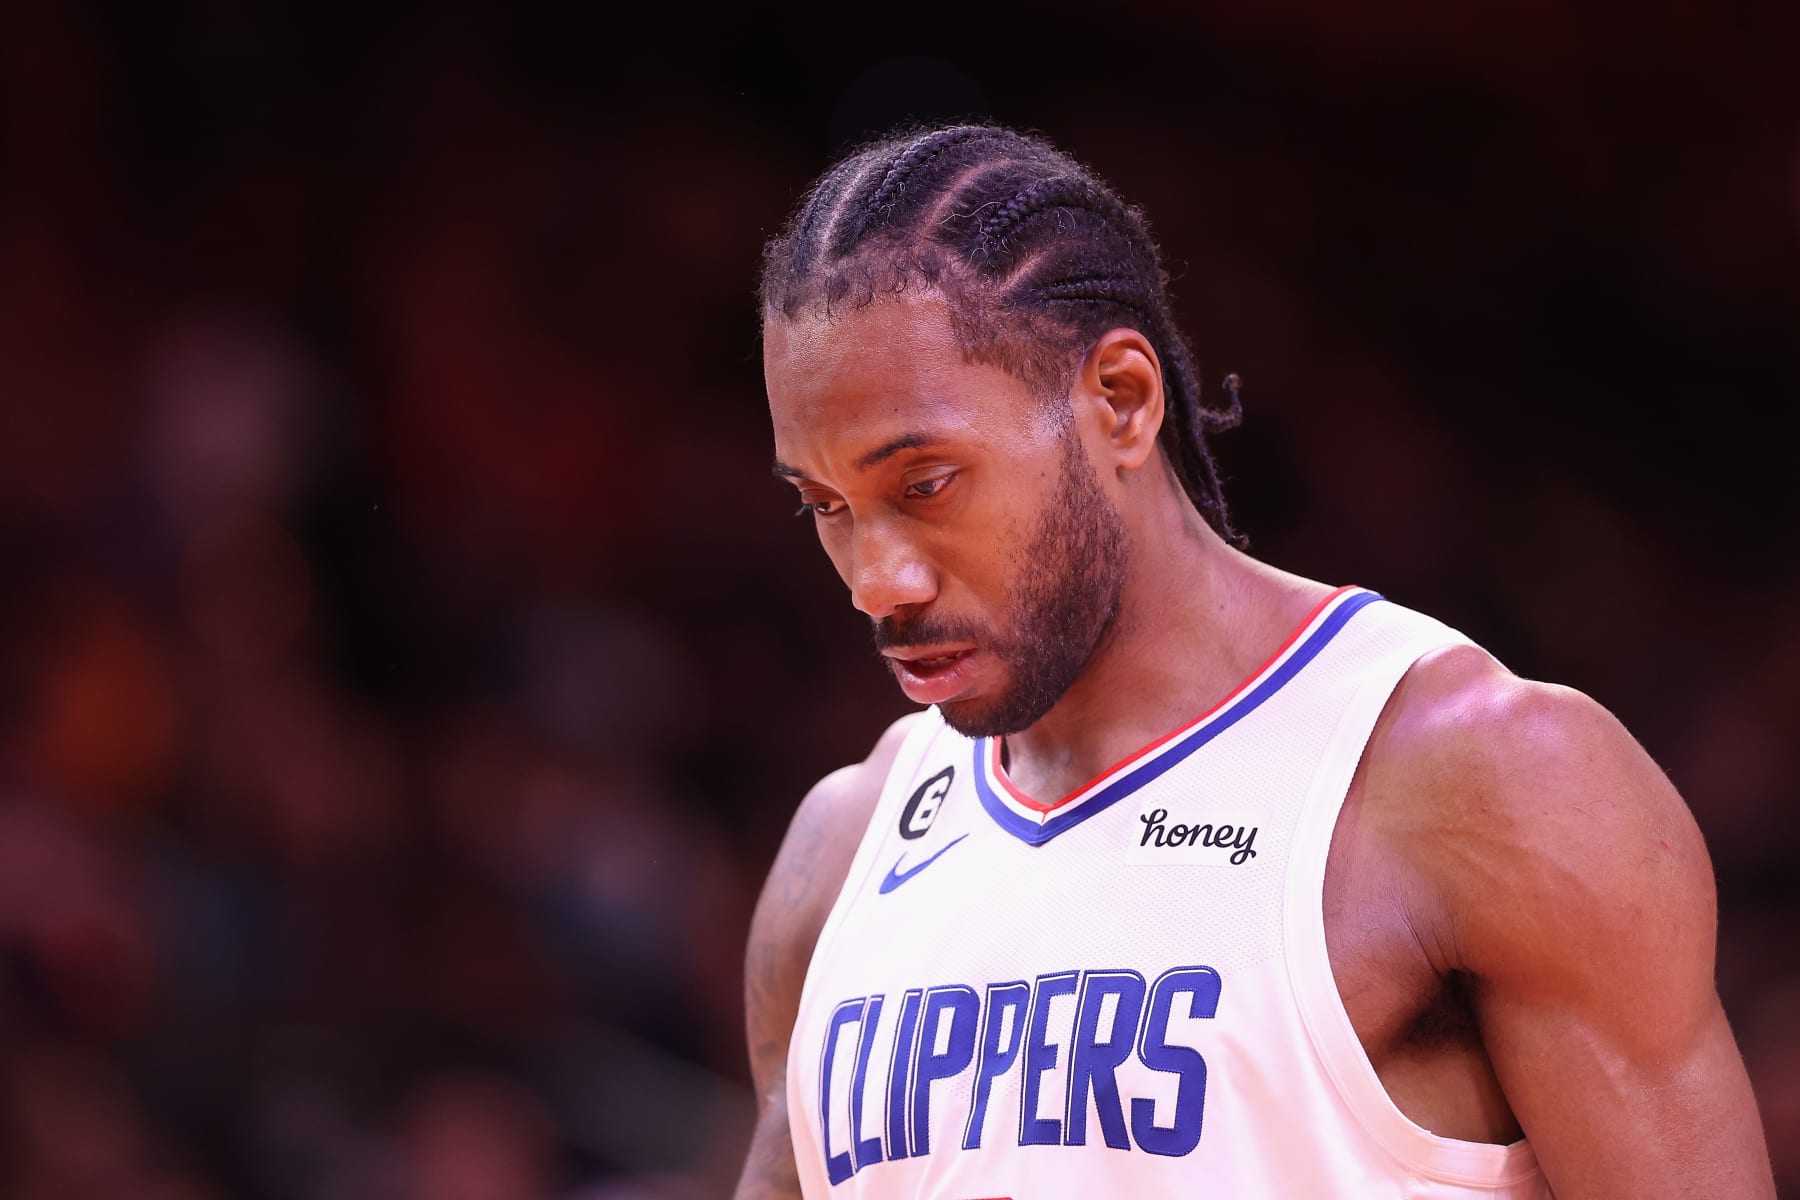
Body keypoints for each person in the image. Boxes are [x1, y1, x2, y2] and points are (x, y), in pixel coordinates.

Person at [733, 122, 1775, 1199]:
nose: (875, 578)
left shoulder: (1483, 779)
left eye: (926, 484)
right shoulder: (842, 850)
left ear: (1121, 401)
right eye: (826, 506)